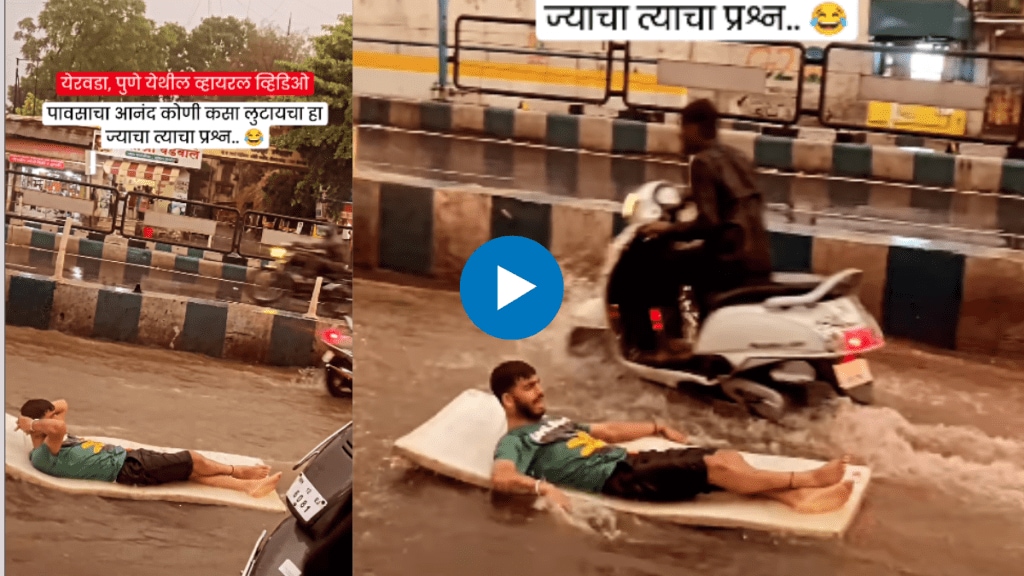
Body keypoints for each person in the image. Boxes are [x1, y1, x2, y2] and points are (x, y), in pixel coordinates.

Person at [488, 361, 856, 513]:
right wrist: (542, 489)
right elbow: (502, 478)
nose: (540, 392)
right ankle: (805, 480)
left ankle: (798, 498)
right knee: (714, 467)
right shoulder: (514, 442)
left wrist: (656, 427)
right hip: (618, 481)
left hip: (629, 462)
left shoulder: (553, 422)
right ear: (509, 399)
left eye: (538, 384)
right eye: (530, 388)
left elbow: (608, 431)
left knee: (725, 456)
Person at [634, 99, 774, 345]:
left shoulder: (702, 162)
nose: (679, 134)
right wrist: (687, 196)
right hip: (758, 257)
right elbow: (733, 196)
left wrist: (668, 229)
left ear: (693, 128)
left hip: (729, 260)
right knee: (690, 263)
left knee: (656, 268)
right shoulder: (738, 157)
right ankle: (696, 337)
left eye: (682, 127)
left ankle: (664, 340)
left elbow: (708, 224)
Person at [15, 398, 282, 498]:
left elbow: (62, 404)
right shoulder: (42, 455)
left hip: (128, 458)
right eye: (50, 418)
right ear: (40, 426)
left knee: (191, 473)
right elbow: (58, 428)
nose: (57, 419)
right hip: (126, 470)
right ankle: (239, 472)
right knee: (192, 459)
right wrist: (35, 423)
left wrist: (36, 421)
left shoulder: (51, 438)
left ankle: (248, 488)